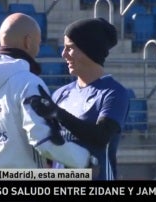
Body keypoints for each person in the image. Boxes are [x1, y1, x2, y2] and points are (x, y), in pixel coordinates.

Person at [0, 13, 92, 169]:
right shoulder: (27, 83)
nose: (38, 49)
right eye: (38, 43)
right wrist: (85, 160)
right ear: (28, 42)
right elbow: (45, 141)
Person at [26, 17, 129, 180]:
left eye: (70, 48)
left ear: (89, 50)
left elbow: (101, 137)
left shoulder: (113, 92)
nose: (63, 54)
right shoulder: (61, 94)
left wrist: (57, 114)